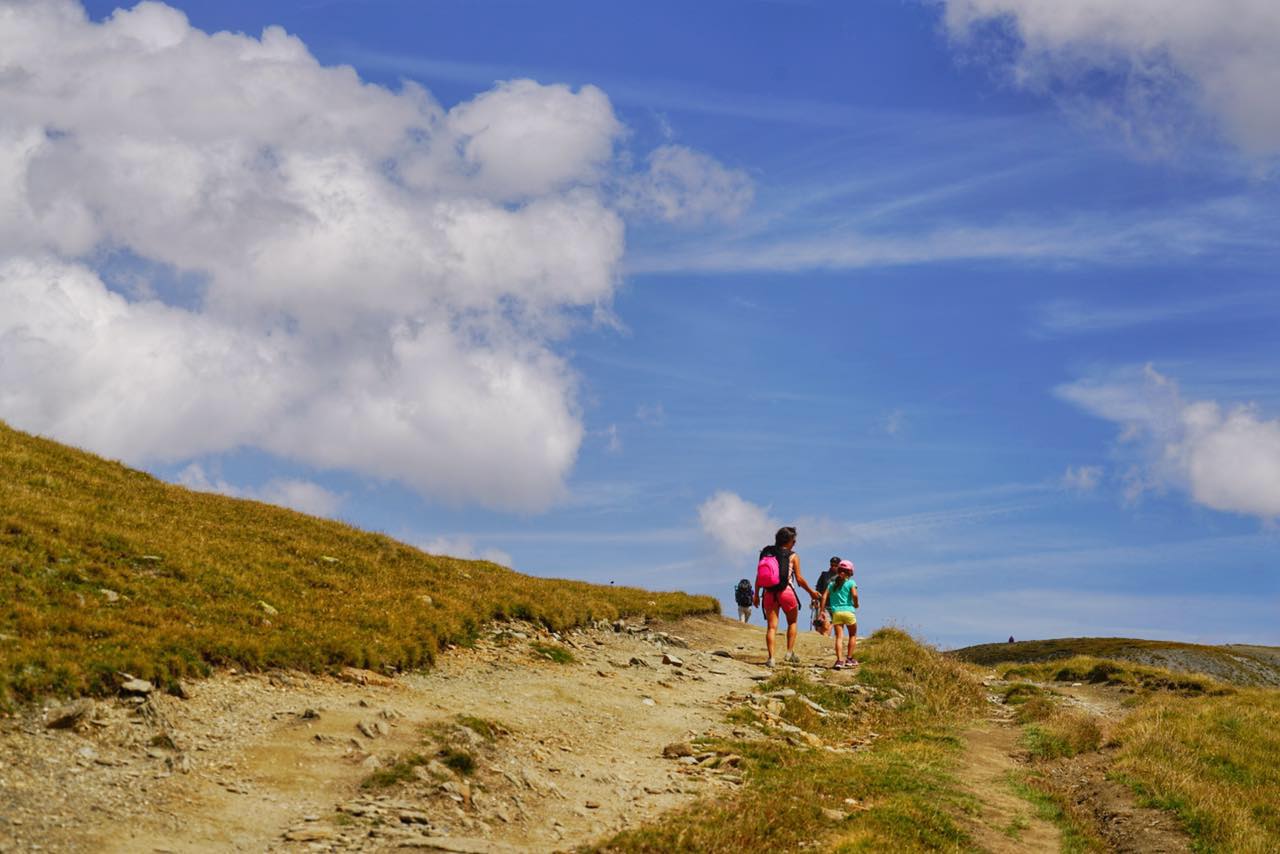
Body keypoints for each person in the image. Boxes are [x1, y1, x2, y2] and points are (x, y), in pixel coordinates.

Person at [753, 526, 818, 668]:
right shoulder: (793, 556)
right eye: (794, 541)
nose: (794, 543)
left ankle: (771, 658)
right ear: (789, 542)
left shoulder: (766, 553)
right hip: (786, 592)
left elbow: (759, 576)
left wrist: (756, 594)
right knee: (792, 622)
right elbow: (799, 579)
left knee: (771, 627)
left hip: (769, 593)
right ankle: (789, 652)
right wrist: (811, 592)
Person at [819, 559, 859, 669]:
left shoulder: (832, 584)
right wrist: (856, 604)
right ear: (850, 572)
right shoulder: (851, 583)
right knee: (852, 634)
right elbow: (854, 595)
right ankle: (849, 659)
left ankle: (839, 660)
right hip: (849, 611)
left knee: (839, 637)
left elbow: (824, 596)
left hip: (836, 612)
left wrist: (822, 611)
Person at [810, 556, 839, 636]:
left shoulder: (841, 578)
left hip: (836, 605)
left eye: (835, 565)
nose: (833, 567)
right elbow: (818, 588)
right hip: (823, 604)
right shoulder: (824, 575)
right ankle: (824, 640)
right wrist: (814, 599)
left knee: (832, 624)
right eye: (832, 565)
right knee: (823, 625)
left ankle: (827, 641)